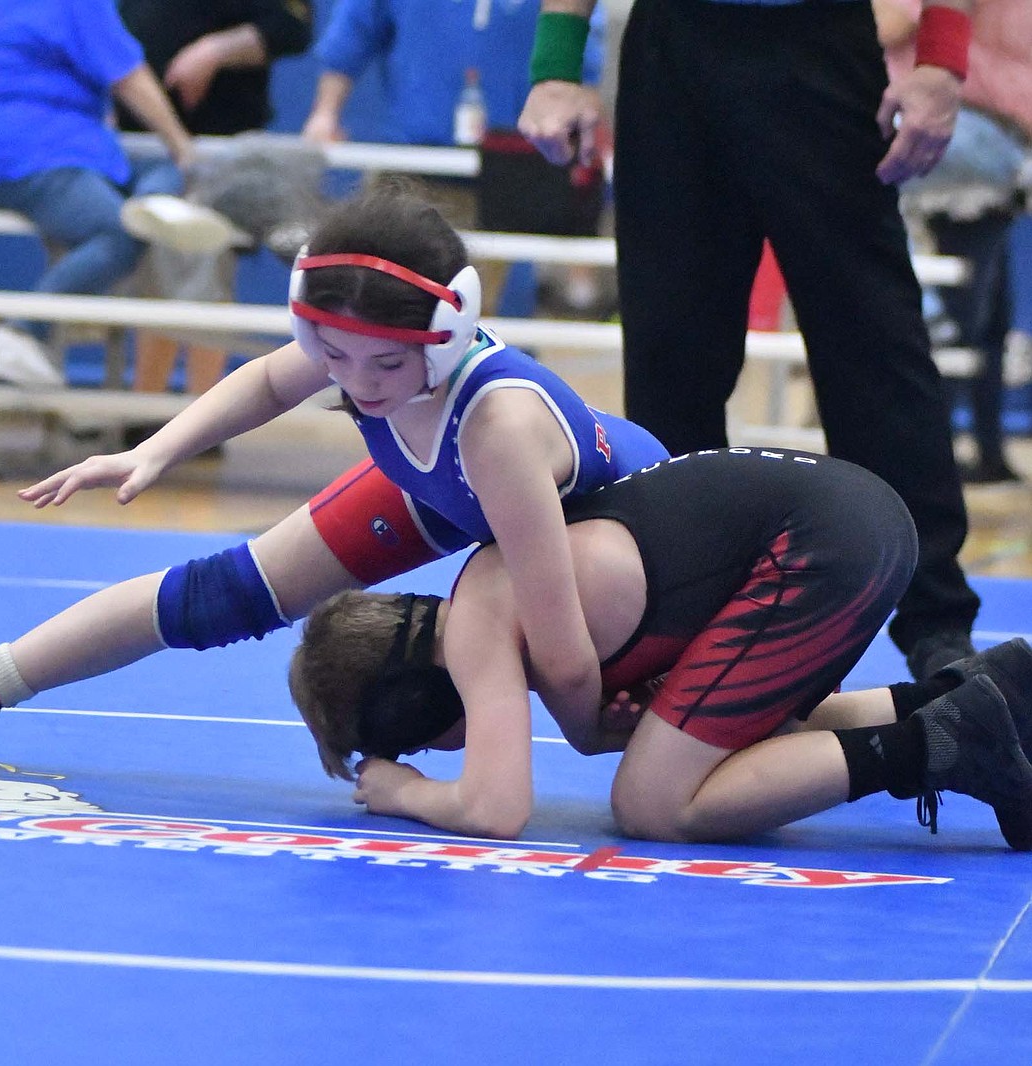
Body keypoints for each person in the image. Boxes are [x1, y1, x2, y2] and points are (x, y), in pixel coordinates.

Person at [0, 184, 667, 764]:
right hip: (469, 493)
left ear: (449, 334)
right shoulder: (361, 337)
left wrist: (591, 732)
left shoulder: (499, 429)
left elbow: (564, 654)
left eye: (384, 363)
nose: (358, 381)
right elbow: (266, 383)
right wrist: (152, 450)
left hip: (632, 541)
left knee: (539, 684)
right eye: (335, 357)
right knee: (225, 593)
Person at [517, 0, 983, 682]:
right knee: (670, 357)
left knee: (875, 350)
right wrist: (554, 63)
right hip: (673, 51)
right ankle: (679, 617)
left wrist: (942, 63)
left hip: (819, 43)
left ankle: (937, 621)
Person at [289, 446, 1032, 848]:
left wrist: (404, 792)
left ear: (409, 702)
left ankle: (947, 740)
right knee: (726, 750)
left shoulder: (479, 623)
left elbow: (496, 810)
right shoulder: (494, 593)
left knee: (653, 802)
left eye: (403, 745)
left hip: (825, 544)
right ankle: (974, 692)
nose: (427, 756)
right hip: (845, 517)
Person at [298, 0, 609, 317]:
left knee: (473, 312)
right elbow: (354, 29)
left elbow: (582, 41)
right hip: (412, 162)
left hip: (507, 166)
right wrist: (325, 113)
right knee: (382, 303)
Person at [0, 0, 197, 388]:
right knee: (119, 231)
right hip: (42, 152)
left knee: (157, 175)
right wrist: (184, 148)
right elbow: (127, 74)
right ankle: (22, 333)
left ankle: (149, 205)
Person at [114, 0, 314, 413]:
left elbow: (292, 28)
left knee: (208, 273)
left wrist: (217, 50)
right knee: (153, 273)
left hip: (224, 150)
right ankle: (142, 411)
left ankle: (205, 413)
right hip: (142, 145)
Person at [879, 0, 1032, 485]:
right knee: (978, 311)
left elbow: (892, 21)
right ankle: (979, 451)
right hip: (991, 142)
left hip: (967, 134)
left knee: (959, 313)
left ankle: (950, 453)